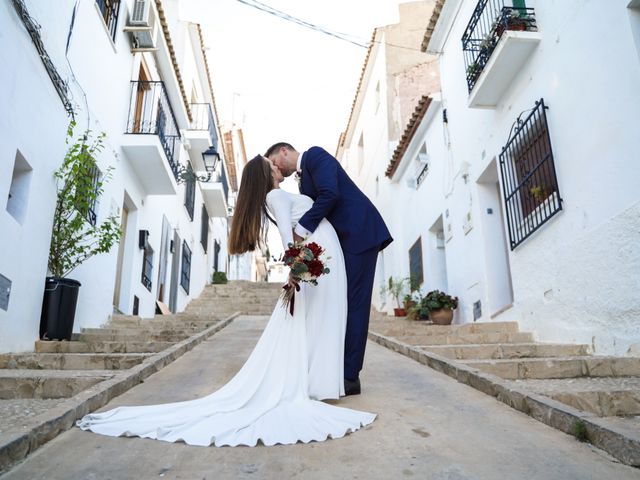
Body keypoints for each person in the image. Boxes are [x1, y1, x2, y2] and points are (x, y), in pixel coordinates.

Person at [75, 155, 375, 447]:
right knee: (325, 319)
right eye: (271, 166)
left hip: (321, 259)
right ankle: (318, 382)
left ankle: (319, 381)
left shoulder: (277, 197)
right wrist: (296, 267)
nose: (277, 167)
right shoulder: (276, 198)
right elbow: (288, 236)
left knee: (324, 320)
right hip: (317, 262)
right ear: (264, 175)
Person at [266, 143, 392, 395]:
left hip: (359, 234)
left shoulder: (315, 155)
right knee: (342, 303)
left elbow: (330, 194)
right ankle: (336, 369)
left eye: (274, 162)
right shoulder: (300, 184)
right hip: (343, 243)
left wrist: (300, 232)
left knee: (354, 304)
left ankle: (349, 376)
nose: (276, 168)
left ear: (283, 151)